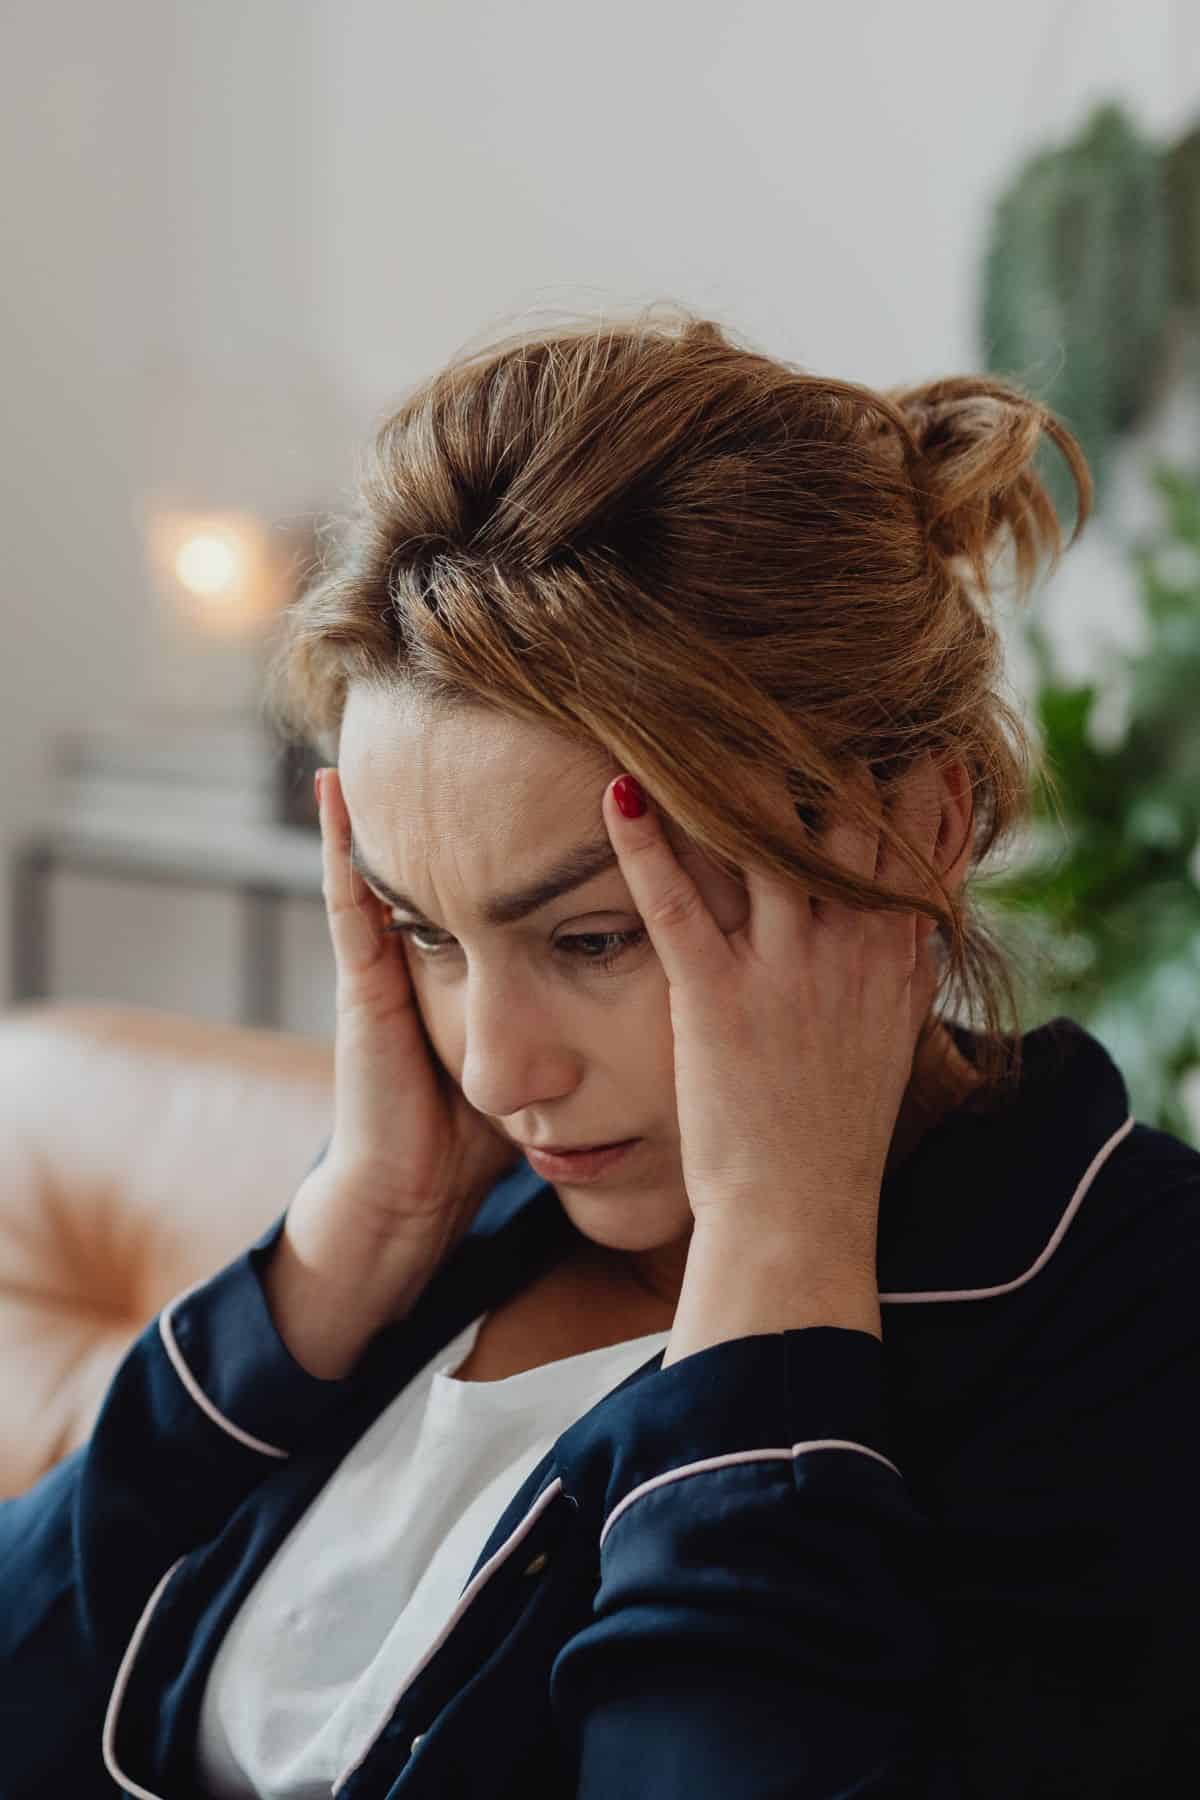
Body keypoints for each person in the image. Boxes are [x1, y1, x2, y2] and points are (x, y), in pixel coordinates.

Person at [3, 303, 1198, 1799]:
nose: (501, 1069)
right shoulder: (463, 1222)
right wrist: (337, 1251)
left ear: (919, 829)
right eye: (426, 932)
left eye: (590, 939)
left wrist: (779, 1255)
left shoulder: (1125, 1322)